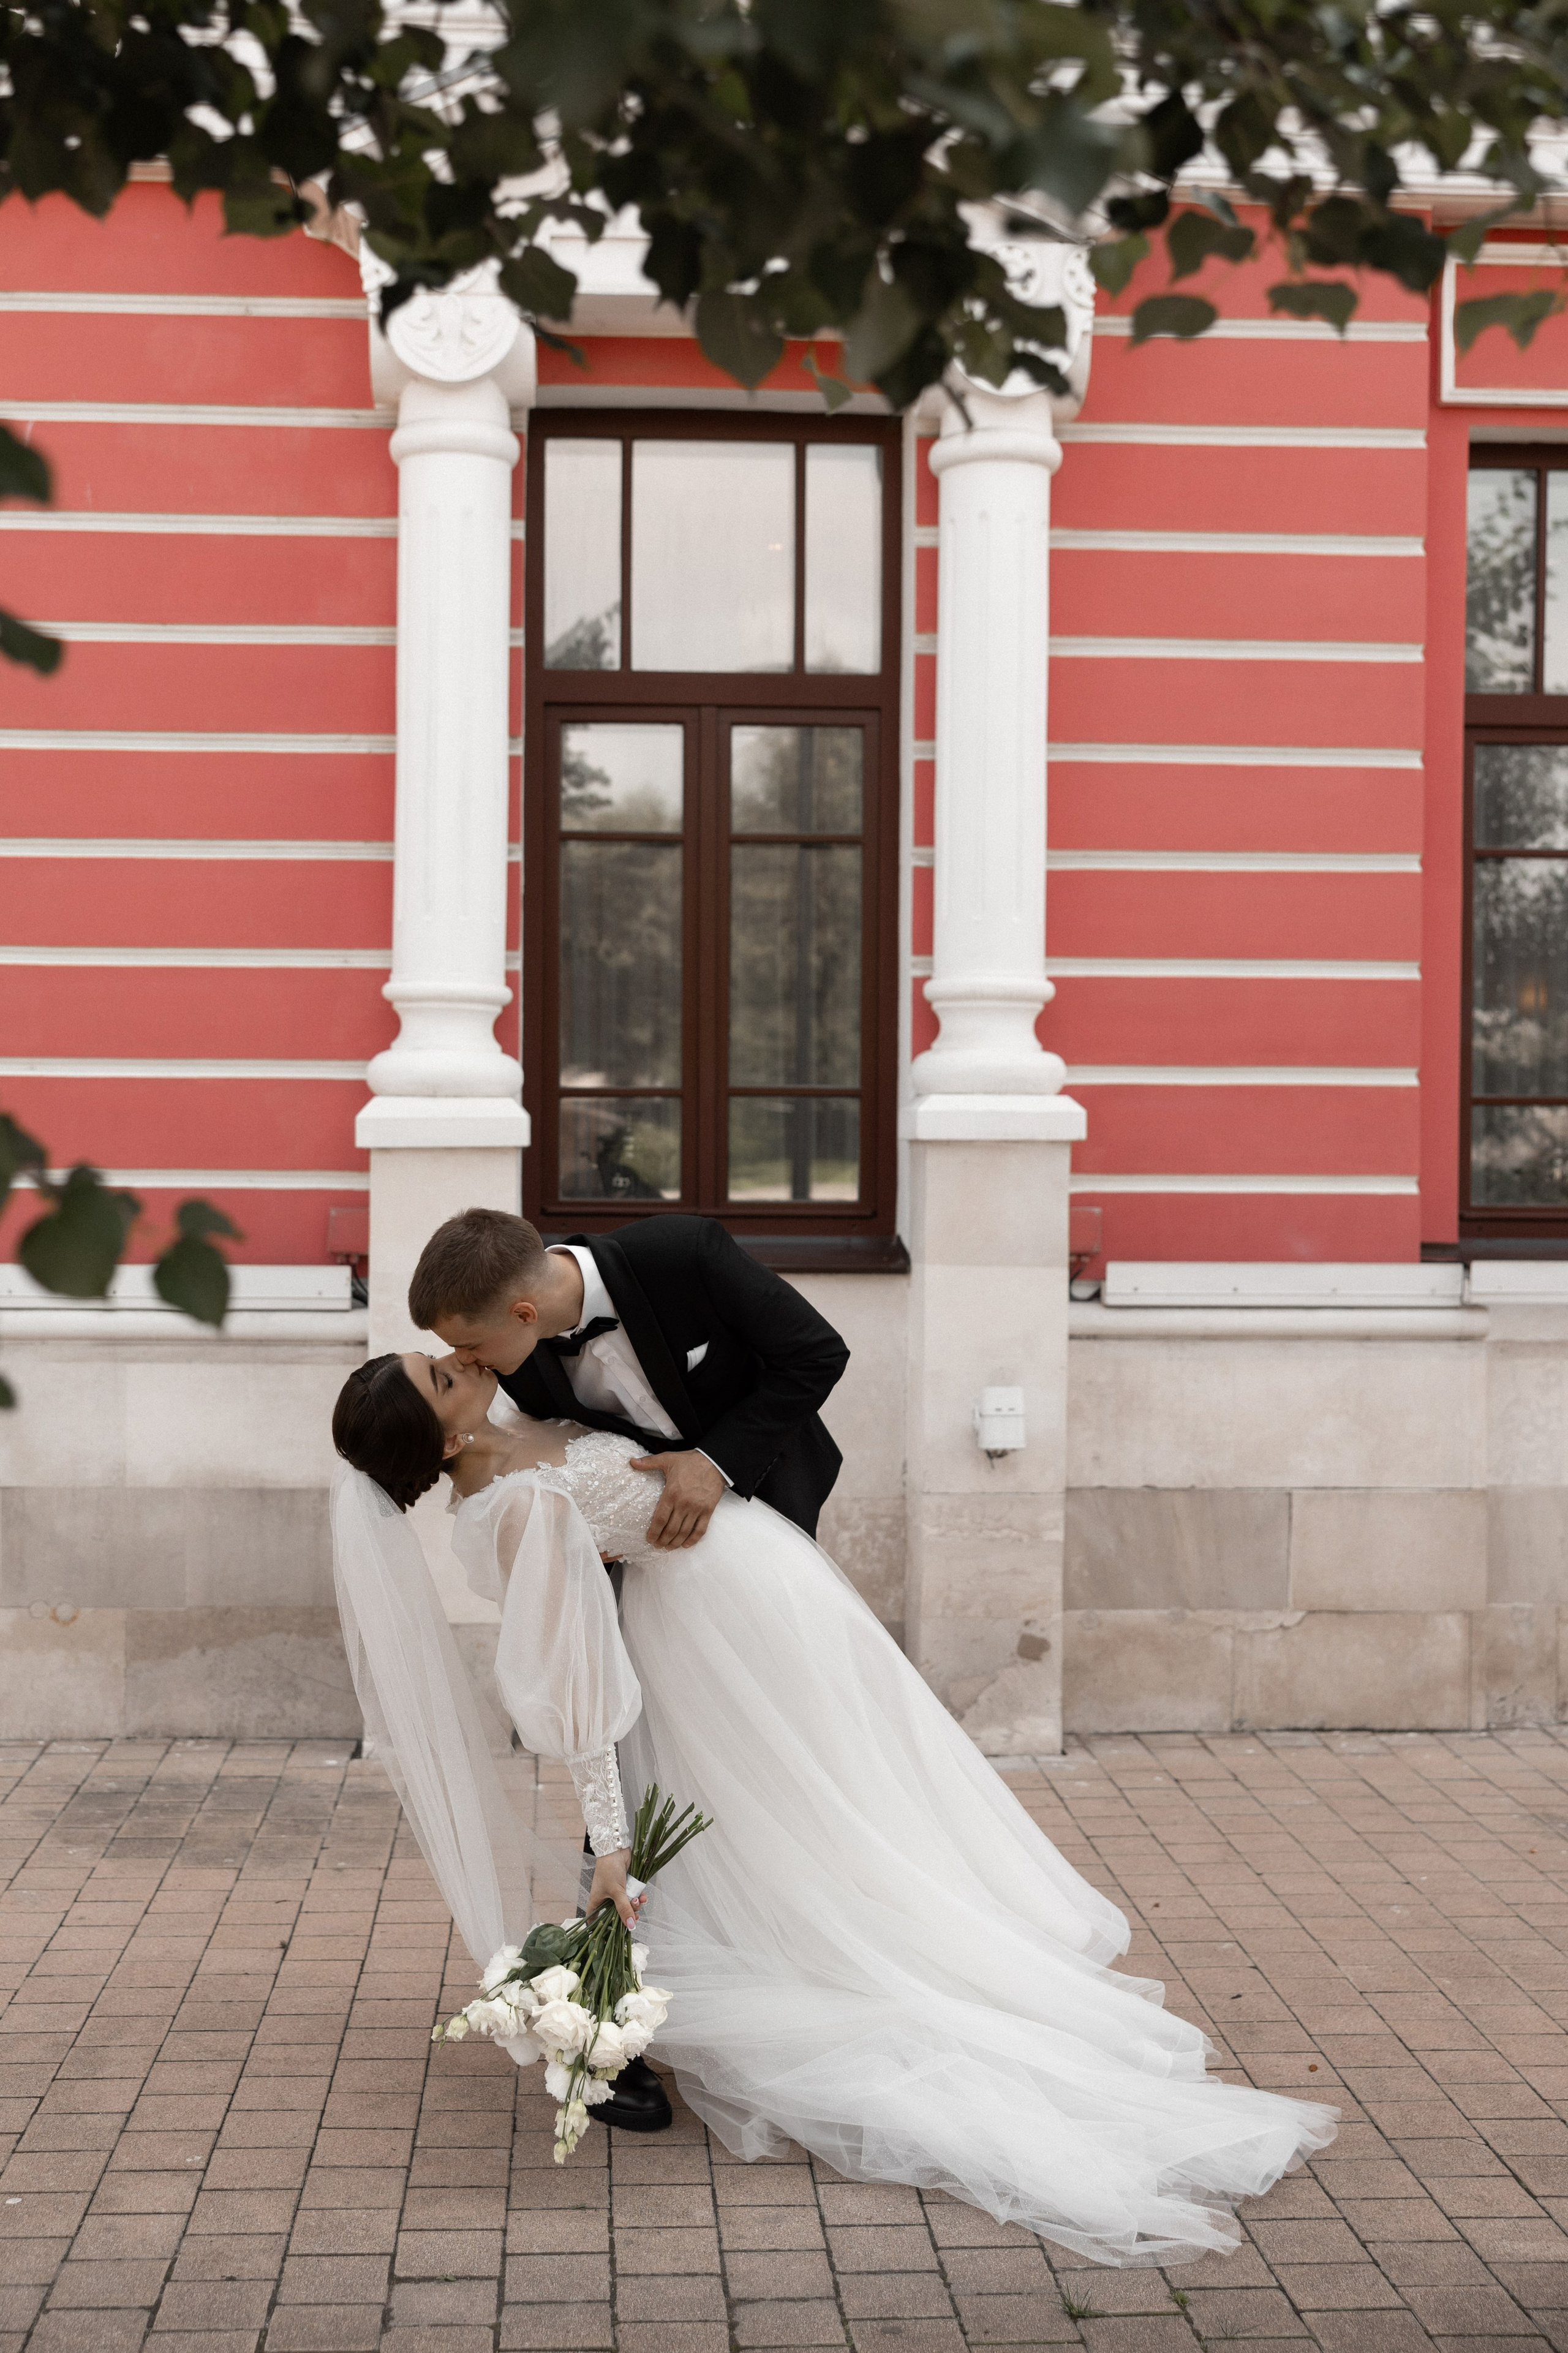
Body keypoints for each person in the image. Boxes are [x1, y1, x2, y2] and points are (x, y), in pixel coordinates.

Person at [331, 1344, 1337, 2266]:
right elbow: (579, 1688)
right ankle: (775, 1987)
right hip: (718, 1648)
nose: (461, 1359)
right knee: (799, 1834)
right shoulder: (508, 1509)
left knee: (845, 1809)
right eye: (444, 1378)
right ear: (448, 1436)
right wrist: (610, 1842)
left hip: (761, 1604)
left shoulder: (522, 1420)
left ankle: (779, 1971)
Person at [407, 1208, 849, 1548]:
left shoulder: (683, 1253)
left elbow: (817, 1353)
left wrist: (715, 1462)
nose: (462, 1360)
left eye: (470, 1343)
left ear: (524, 1314)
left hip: (773, 1494)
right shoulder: (514, 1368)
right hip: (658, 1568)